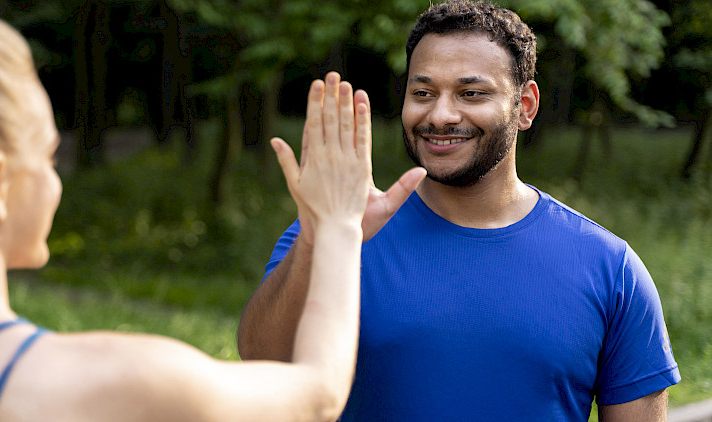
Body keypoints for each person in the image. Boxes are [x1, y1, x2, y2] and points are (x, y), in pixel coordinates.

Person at [0, 7, 427, 422]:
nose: (53, 175)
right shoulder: (114, 379)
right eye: (45, 154)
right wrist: (336, 224)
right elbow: (315, 396)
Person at [237, 1, 681, 420]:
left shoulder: (611, 268)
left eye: (471, 93)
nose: (441, 114)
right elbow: (261, 363)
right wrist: (321, 235)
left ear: (524, 106)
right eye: (424, 92)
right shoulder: (338, 230)